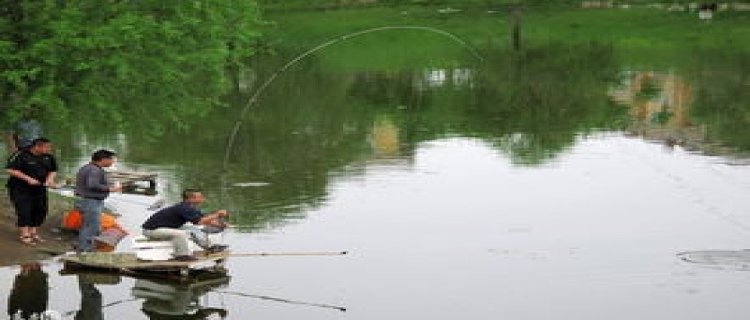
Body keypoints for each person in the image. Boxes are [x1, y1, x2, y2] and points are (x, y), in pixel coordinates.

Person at [142, 189, 229, 261]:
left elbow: (204, 220)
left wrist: (219, 225)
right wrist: (217, 214)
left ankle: (211, 247)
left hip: (164, 228)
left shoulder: (191, 208)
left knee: (193, 229)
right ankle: (181, 256)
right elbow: (199, 221)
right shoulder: (184, 208)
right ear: (191, 198)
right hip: (151, 230)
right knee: (180, 234)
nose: (203, 198)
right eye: (200, 197)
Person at [5, 137, 57, 246]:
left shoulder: (48, 157)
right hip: (20, 188)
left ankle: (33, 232)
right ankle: (25, 234)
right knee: (24, 210)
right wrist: (28, 179)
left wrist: (49, 180)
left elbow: (53, 170)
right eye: (46, 147)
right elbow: (10, 169)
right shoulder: (21, 154)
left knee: (41, 210)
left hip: (40, 188)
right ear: (37, 146)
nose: (49, 149)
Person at [75, 149, 122, 252]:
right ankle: (86, 250)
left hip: (87, 200)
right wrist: (110, 189)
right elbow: (92, 185)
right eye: (111, 159)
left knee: (87, 225)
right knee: (92, 227)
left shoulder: (89, 167)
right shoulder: (94, 170)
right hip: (90, 201)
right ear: (104, 159)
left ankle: (84, 247)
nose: (112, 162)